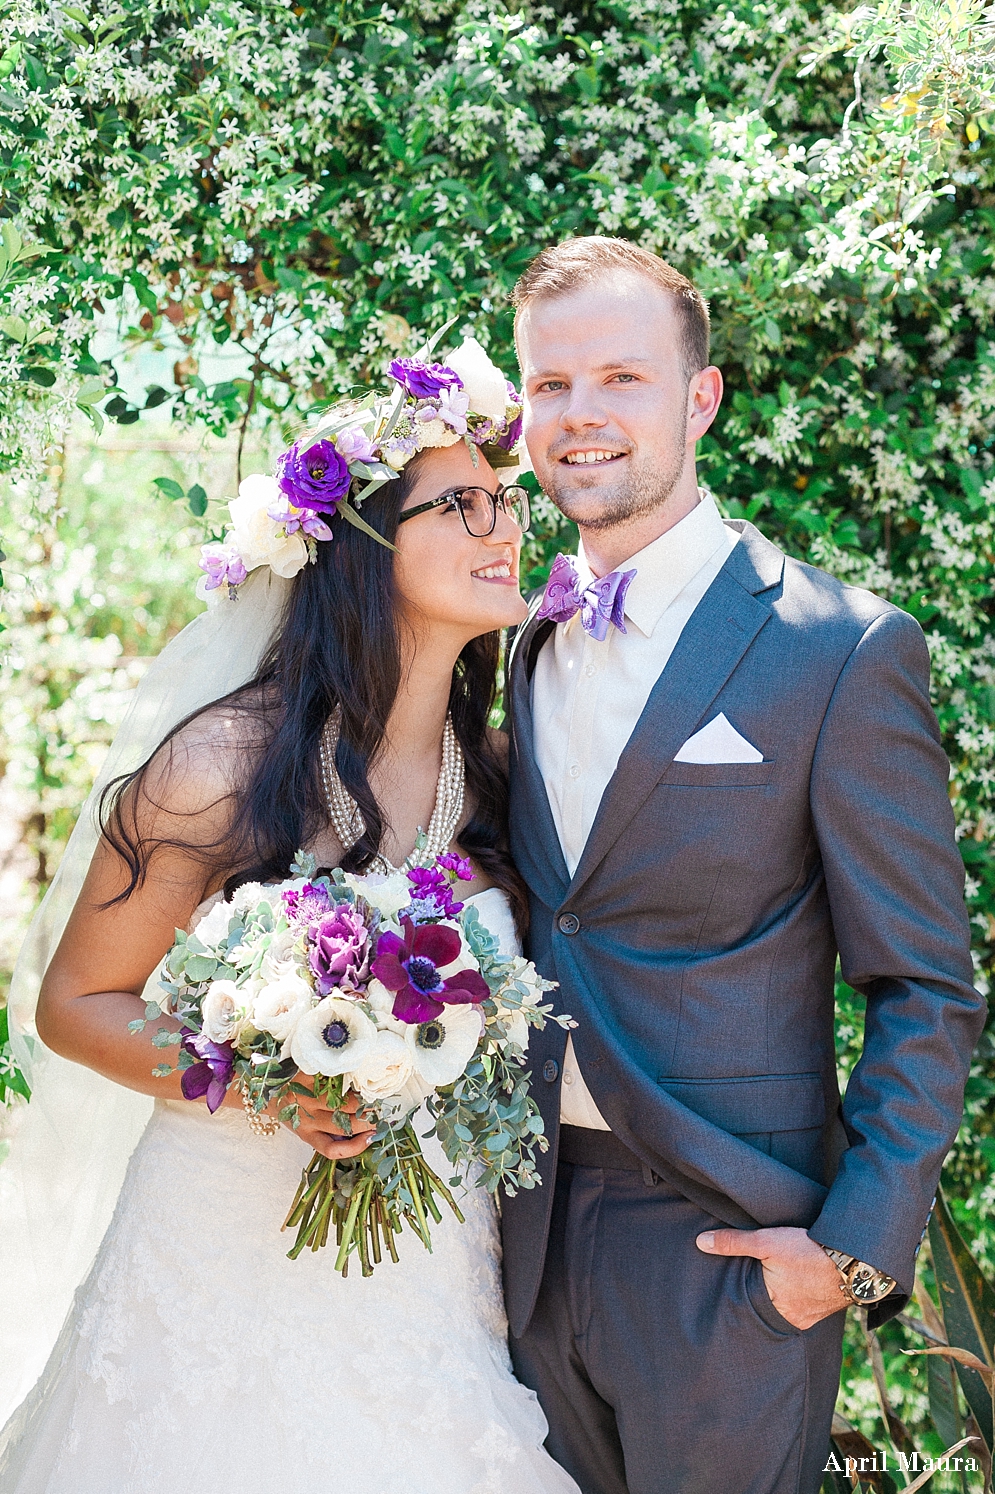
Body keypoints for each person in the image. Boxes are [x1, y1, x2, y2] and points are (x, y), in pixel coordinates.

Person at [0, 337, 581, 1494]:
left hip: (429, 1291)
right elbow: (75, 1005)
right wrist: (263, 1075)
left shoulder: (509, 779)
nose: (502, 527)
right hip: (218, 1262)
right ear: (361, 547)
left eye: (505, 500)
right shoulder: (226, 765)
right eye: (459, 503)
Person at [500, 237, 986, 1494]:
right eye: (550, 386)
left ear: (698, 398)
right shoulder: (513, 642)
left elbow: (925, 986)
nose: (581, 416)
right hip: (519, 1235)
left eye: (622, 377)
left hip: (726, 1255)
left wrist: (845, 1254)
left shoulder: (837, 650)